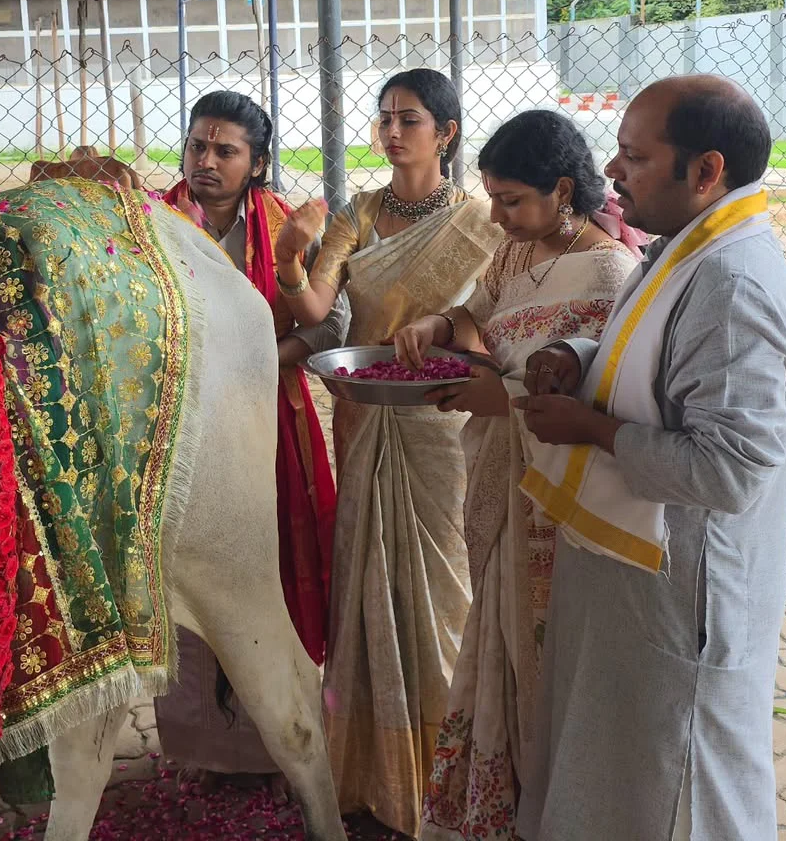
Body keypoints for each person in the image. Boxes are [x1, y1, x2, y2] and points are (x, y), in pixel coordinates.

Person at [513, 75, 786, 841]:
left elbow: (729, 471)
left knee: (683, 792)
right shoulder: (688, 249)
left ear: (706, 172)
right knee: (622, 777)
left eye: (633, 156)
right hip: (638, 582)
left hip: (686, 600)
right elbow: (649, 361)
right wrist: (574, 357)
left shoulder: (733, 281)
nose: (612, 171)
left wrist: (592, 429)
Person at [390, 111, 642, 840]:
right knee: (497, 635)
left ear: (563, 190)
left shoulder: (605, 270)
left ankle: (557, 809)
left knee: (544, 651)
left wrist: (495, 396)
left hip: (556, 504)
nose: (496, 216)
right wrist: (441, 325)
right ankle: (507, 809)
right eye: (492, 198)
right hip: (501, 479)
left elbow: (584, 391)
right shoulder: (516, 251)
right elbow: (482, 310)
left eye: (510, 201)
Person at [274, 68, 501, 836]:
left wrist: (448, 331)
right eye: (385, 119)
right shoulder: (360, 212)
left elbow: (485, 324)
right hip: (366, 410)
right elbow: (313, 306)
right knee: (366, 569)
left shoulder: (478, 220)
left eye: (410, 119)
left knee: (442, 580)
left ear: (447, 132)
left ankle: (448, 767)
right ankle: (370, 774)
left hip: (439, 417)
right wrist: (289, 258)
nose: (392, 132)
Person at [155, 90, 345, 786]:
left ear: (257, 162)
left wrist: (259, 359)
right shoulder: (153, 221)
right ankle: (208, 748)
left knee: (268, 565)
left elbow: (329, 326)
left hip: (268, 417)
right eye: (197, 146)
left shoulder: (288, 227)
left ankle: (282, 739)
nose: (205, 161)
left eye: (225, 150)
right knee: (188, 576)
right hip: (178, 428)